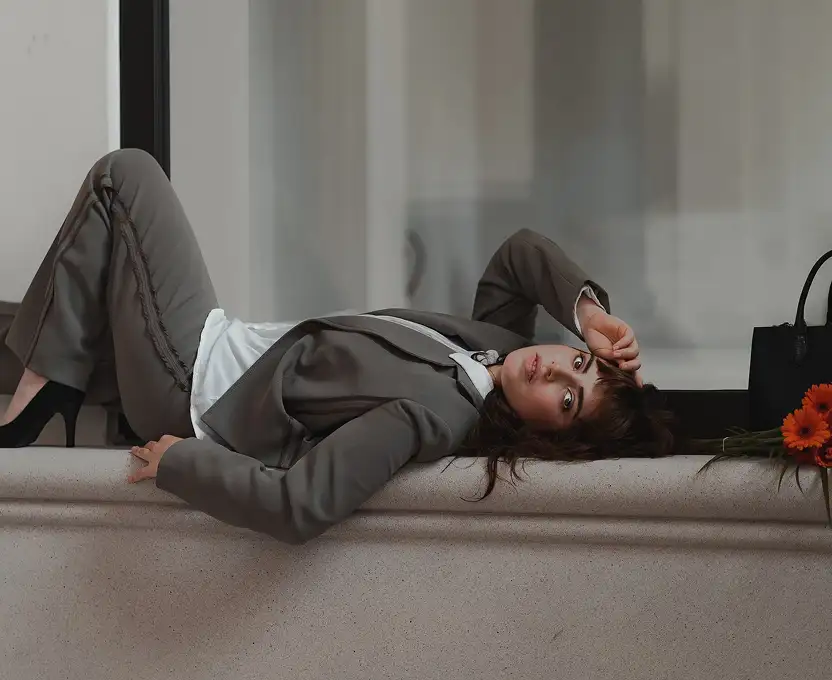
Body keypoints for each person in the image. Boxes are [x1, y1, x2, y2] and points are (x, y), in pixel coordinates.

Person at [0, 149, 677, 544]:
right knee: (21, 323)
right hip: (228, 348)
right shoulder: (496, 349)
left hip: (195, 382)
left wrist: (182, 464)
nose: (555, 369)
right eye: (577, 364)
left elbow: (303, 504)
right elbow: (518, 257)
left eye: (566, 401)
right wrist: (588, 314)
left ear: (545, 437)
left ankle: (36, 406)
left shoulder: (435, 417)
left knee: (126, 177)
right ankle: (44, 386)